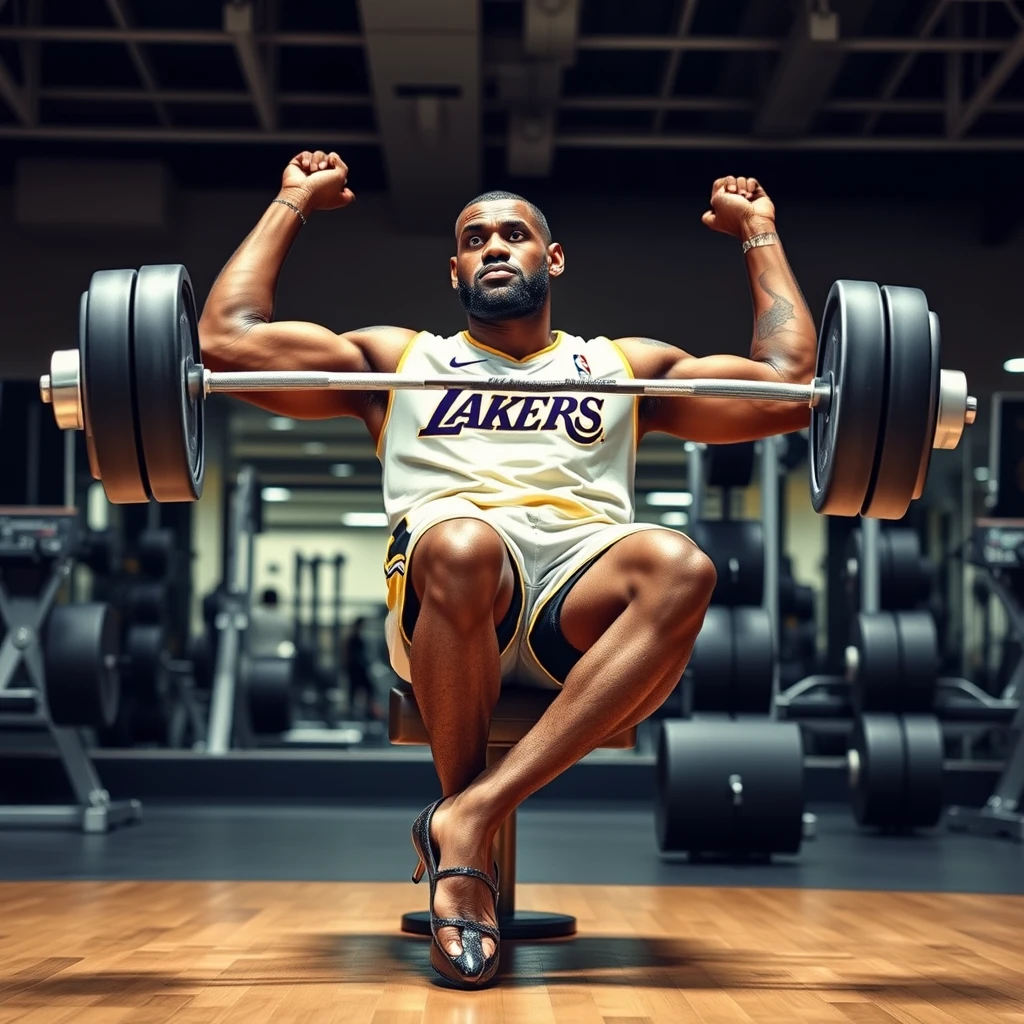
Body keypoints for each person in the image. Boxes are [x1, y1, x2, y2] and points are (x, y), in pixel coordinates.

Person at [199, 150, 817, 988]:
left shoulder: (621, 368)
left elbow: (789, 388)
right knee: (463, 542)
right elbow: (227, 345)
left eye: (514, 234)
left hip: (579, 604)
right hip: (452, 600)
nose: (495, 247)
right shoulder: (400, 362)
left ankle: (467, 823)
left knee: (680, 563)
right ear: (454, 267)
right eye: (475, 238)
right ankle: (466, 864)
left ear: (550, 259)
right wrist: (290, 204)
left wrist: (761, 235)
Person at [344, 616, 384, 722]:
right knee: (358, 691)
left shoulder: (357, 639)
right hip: (356, 670)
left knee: (362, 690)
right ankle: (361, 712)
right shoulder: (354, 640)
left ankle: (365, 711)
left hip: (358, 669)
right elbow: (350, 656)